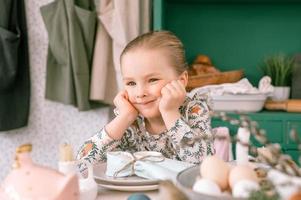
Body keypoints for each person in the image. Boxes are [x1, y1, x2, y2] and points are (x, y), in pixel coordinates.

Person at [77, 31, 214, 172]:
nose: (140, 93)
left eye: (152, 80)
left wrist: (170, 112)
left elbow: (203, 168)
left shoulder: (194, 110)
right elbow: (83, 165)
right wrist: (125, 118)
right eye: (131, 83)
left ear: (181, 81)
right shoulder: (132, 120)